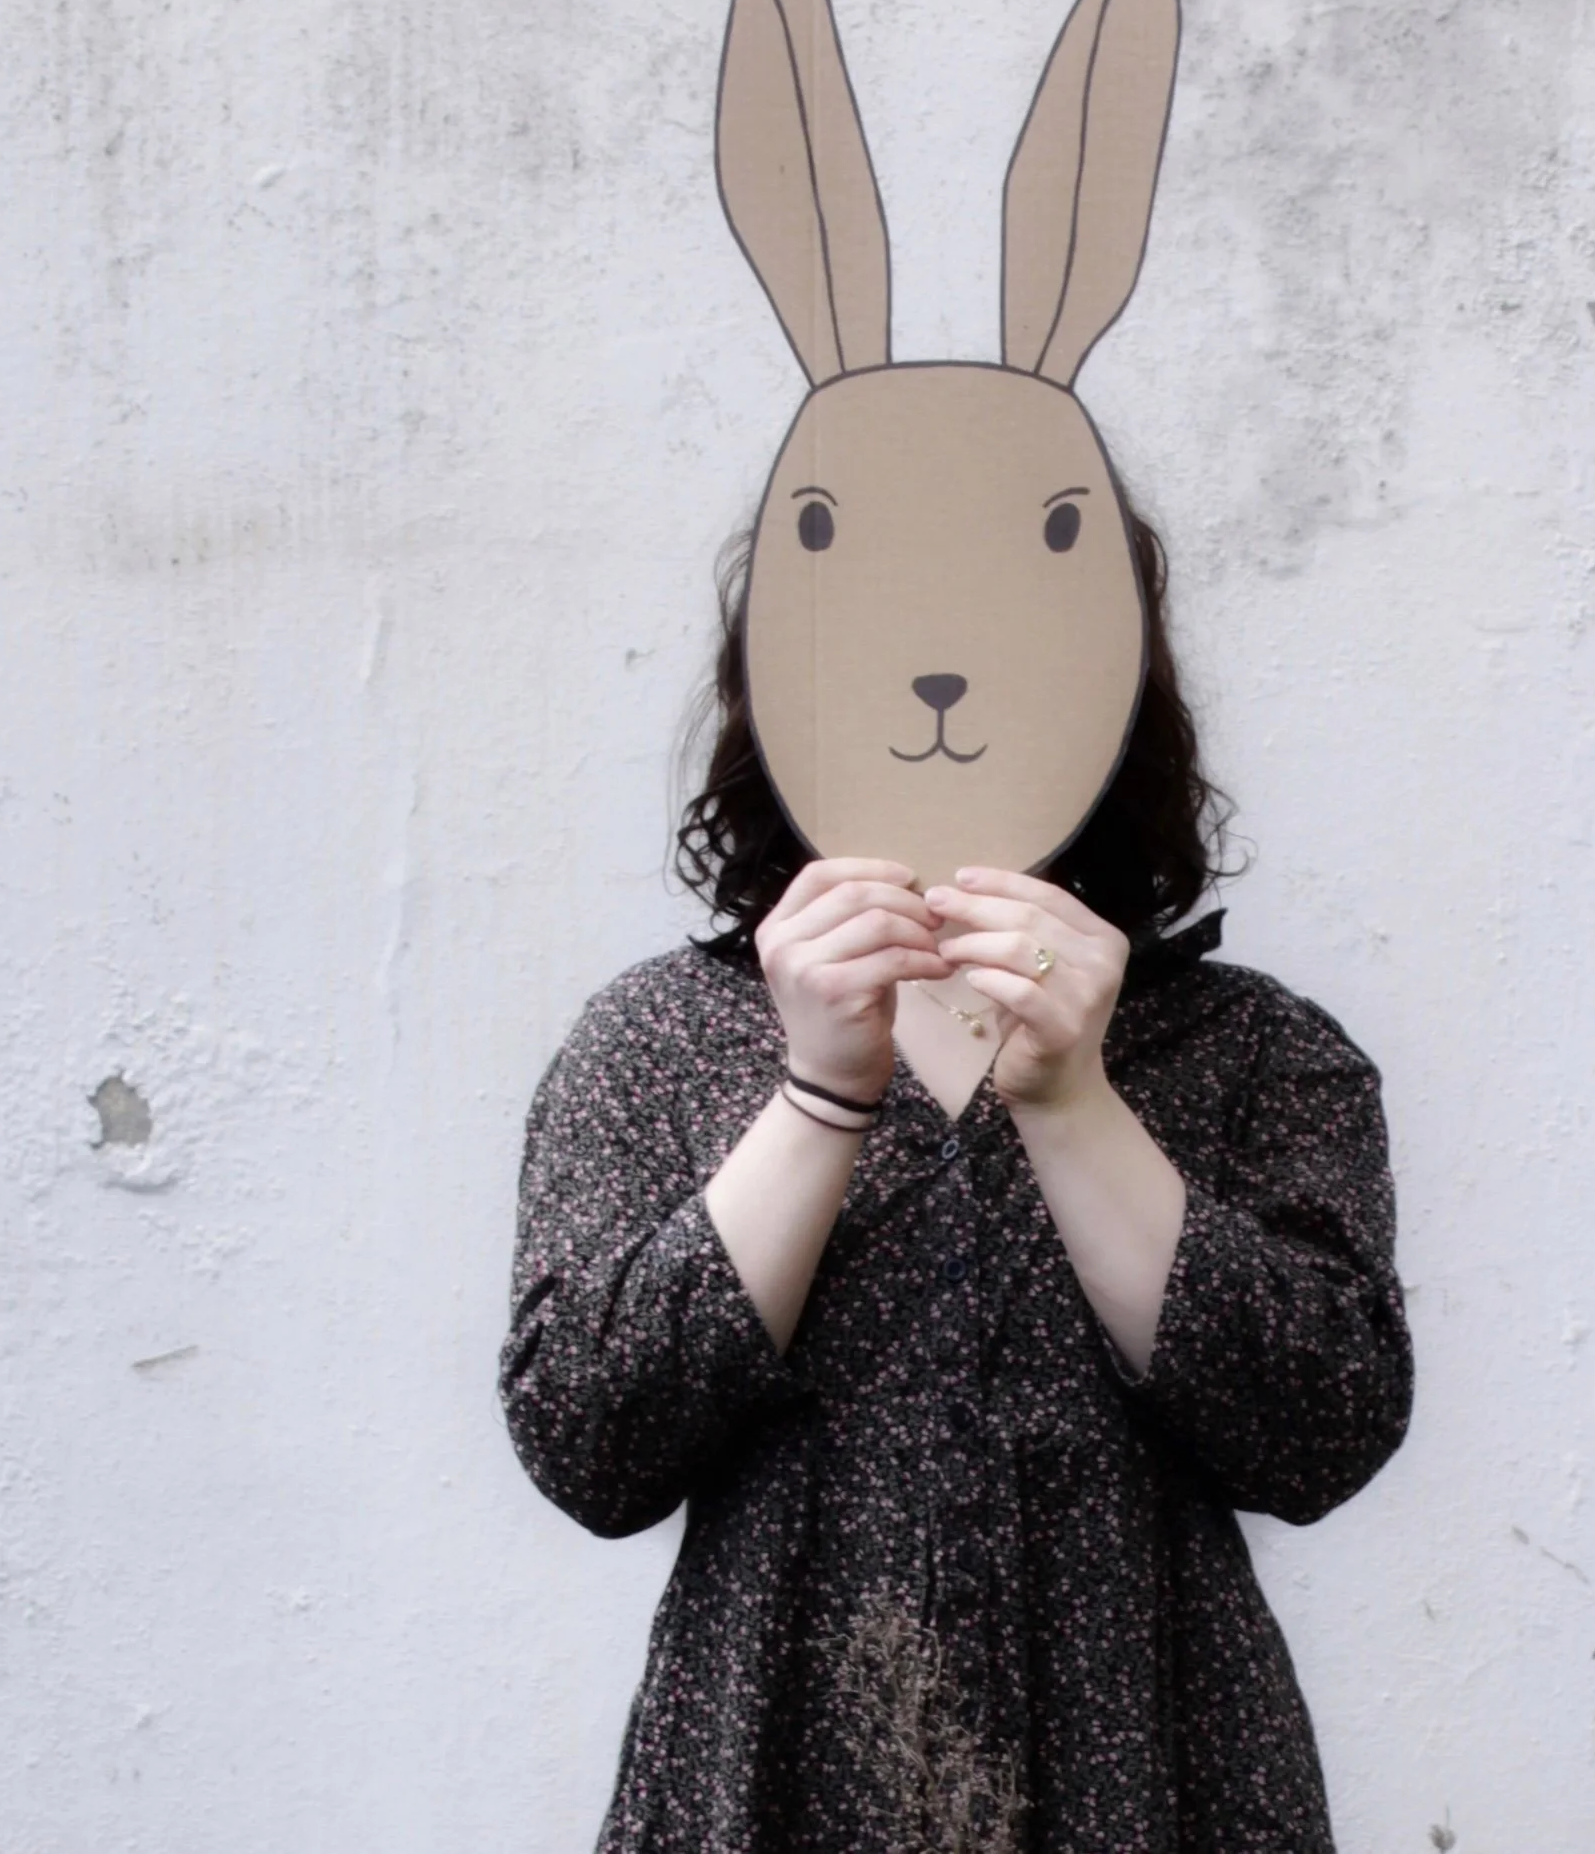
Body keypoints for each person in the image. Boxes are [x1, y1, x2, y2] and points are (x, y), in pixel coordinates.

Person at [499, 510, 1414, 1852]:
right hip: (769, 1784)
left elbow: (1321, 1433)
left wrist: (1073, 1099)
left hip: (1151, 1789)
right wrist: (820, 1094)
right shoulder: (658, 1040)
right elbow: (588, 1444)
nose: (942, 682)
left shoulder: (1253, 1049)